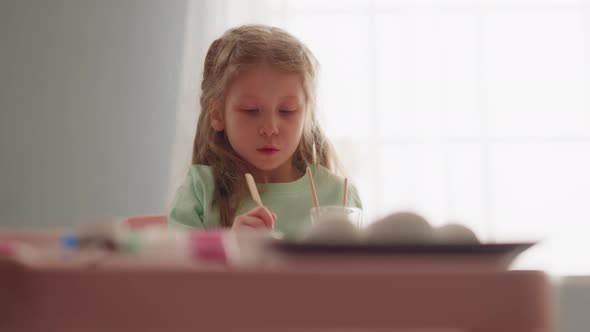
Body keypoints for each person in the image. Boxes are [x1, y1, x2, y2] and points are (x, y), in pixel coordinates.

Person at [168, 24, 362, 237]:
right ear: (218, 115)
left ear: (307, 114)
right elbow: (178, 267)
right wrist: (230, 246)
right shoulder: (201, 191)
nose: (270, 128)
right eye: (251, 111)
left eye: (287, 111)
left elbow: (360, 269)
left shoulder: (338, 197)